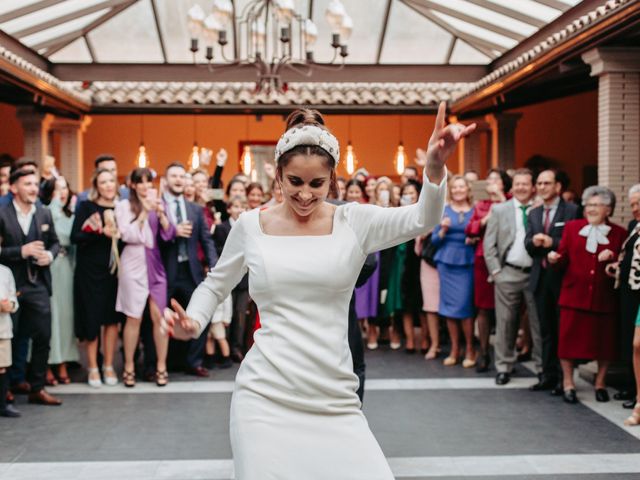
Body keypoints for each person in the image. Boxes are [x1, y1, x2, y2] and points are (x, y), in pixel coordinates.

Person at [163, 104, 473, 479]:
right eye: (295, 182)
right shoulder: (251, 226)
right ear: (278, 176)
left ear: (331, 180)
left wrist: (436, 166)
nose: (306, 195)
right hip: (265, 396)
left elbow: (423, 217)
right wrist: (194, 321)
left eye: (316, 184)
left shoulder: (355, 221)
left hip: (335, 398)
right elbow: (215, 284)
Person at [547, 186, 625, 404]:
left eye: (596, 205)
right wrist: (554, 259)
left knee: (605, 344)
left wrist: (614, 260)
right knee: (567, 342)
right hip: (574, 295)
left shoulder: (619, 233)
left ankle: (600, 384)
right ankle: (568, 383)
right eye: (588, 205)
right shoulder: (572, 228)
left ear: (608, 210)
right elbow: (563, 257)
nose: (590, 209)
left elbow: (623, 263)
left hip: (603, 297)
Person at [0, 167, 62, 406]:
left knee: (43, 336)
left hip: (38, 283)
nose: (34, 189)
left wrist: (49, 254)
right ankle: (6, 389)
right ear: (14, 188)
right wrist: (21, 251)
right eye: (27, 184)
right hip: (9, 286)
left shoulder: (43, 213)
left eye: (35, 184)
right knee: (10, 337)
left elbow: (55, 243)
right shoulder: (3, 213)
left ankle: (38, 387)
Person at [115, 168, 175, 387]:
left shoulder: (159, 202)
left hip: (155, 264)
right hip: (132, 262)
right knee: (134, 318)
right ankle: (129, 365)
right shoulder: (123, 206)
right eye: (140, 182)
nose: (144, 186)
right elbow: (126, 234)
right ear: (132, 184)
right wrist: (143, 213)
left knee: (159, 317)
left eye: (148, 182)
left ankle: (161, 366)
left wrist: (161, 215)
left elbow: (168, 235)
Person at [484, 168, 542, 385]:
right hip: (508, 273)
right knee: (506, 323)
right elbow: (489, 244)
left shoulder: (539, 208)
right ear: (512, 186)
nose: (521, 188)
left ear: (532, 187)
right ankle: (504, 366)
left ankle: (541, 368)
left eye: (525, 184)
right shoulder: (500, 210)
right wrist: (496, 272)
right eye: (517, 184)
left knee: (537, 323)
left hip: (535, 274)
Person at [525, 169, 578, 395]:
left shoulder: (572, 210)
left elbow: (574, 243)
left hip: (562, 278)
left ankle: (563, 379)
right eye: (539, 183)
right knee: (545, 329)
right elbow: (527, 244)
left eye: (547, 183)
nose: (542, 187)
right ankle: (547, 375)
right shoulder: (534, 213)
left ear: (558, 187)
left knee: (562, 330)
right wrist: (535, 243)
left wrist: (552, 242)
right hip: (540, 278)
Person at [161, 163, 217, 376]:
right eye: (173, 175)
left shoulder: (195, 209)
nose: (178, 179)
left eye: (181, 176)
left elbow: (206, 239)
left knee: (199, 313)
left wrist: (214, 265)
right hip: (165, 271)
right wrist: (173, 232)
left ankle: (194, 361)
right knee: (161, 317)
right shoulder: (159, 206)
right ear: (166, 180)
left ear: (186, 181)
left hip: (190, 270)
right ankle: (159, 363)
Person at [71, 169, 122, 387]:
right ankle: (92, 367)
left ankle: (108, 365)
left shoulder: (123, 207)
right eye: (103, 182)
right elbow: (75, 236)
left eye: (111, 180)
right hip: (90, 272)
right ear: (96, 185)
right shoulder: (86, 206)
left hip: (114, 271)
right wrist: (99, 232)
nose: (108, 185)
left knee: (111, 320)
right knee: (92, 319)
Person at [465, 168, 510, 372]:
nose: (491, 183)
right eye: (489, 179)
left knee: (507, 310)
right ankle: (483, 352)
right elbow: (471, 228)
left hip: (507, 258)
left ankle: (505, 354)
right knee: (483, 308)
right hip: (484, 259)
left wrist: (500, 199)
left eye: (496, 179)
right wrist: (487, 216)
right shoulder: (481, 205)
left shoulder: (510, 200)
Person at [431, 175, 475, 366]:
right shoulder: (443, 210)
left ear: (468, 189)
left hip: (467, 262)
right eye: (454, 187)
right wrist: (442, 229)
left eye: (461, 187)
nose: (458, 190)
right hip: (447, 262)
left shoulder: (476, 211)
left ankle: (471, 349)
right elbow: (434, 241)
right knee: (449, 308)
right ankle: (455, 349)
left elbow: (484, 234)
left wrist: (475, 239)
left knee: (465, 308)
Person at [45, 176, 80, 384]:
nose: (62, 192)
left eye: (65, 188)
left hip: (68, 269)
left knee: (66, 316)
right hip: (51, 268)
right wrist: (55, 205)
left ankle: (64, 361)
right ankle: (49, 362)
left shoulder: (72, 214)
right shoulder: (47, 212)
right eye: (57, 189)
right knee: (52, 315)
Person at [612, 184, 640, 408]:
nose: (635, 209)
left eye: (639, 203)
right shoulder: (633, 225)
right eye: (632, 205)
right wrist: (616, 265)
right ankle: (632, 387)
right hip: (629, 289)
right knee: (630, 339)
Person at [0, 264, 19, 417]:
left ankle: (2, 404)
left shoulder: (6, 272)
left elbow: (13, 296)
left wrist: (10, 305)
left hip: (3, 329)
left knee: (3, 367)